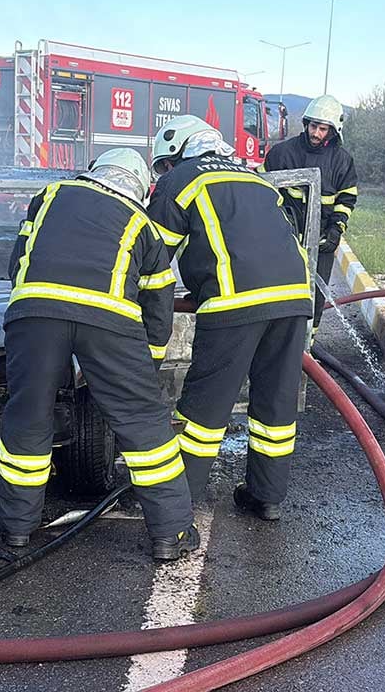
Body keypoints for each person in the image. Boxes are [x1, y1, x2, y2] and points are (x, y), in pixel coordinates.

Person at [0, 148, 197, 561]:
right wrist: (148, 364)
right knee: (144, 426)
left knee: (28, 416)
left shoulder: (52, 193)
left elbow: (19, 257)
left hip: (35, 312)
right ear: (140, 187)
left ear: (95, 173)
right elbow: (158, 300)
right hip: (110, 319)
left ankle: (17, 527)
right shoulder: (142, 223)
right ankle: (171, 534)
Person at [147, 115, 313, 522]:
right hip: (293, 298)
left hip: (234, 304)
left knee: (204, 408)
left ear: (176, 153)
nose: (166, 173)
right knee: (275, 405)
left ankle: (179, 502)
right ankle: (266, 497)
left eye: (165, 165)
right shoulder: (256, 179)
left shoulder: (180, 180)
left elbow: (151, 255)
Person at [262, 94, 358, 337]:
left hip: (321, 241)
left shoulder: (342, 161)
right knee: (277, 294)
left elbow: (346, 200)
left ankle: (307, 348)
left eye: (322, 128)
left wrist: (336, 231)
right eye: (313, 126)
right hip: (281, 240)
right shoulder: (281, 153)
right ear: (306, 124)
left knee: (314, 300)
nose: (316, 133)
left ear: (334, 130)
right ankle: (274, 343)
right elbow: (259, 189)